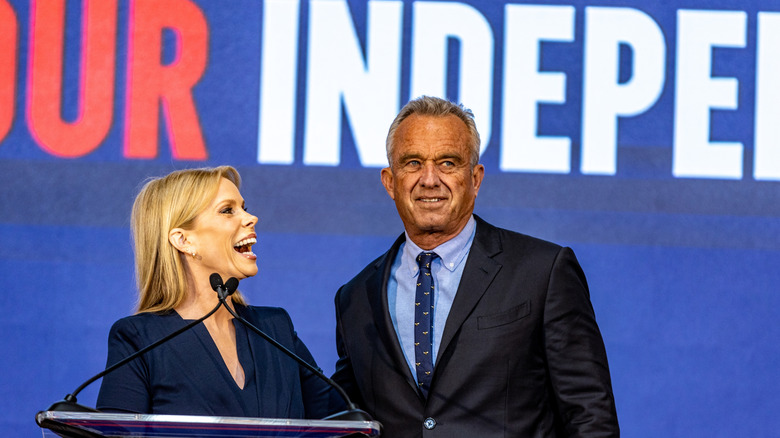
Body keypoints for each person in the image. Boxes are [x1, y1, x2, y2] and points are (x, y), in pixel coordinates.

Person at [332, 96, 620, 437]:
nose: (429, 179)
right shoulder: (356, 298)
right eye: (412, 163)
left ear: (475, 178)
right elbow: (347, 419)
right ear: (389, 181)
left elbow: (589, 416)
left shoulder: (542, 273)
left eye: (448, 163)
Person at [97, 166, 337, 419]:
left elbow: (342, 421)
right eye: (227, 210)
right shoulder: (140, 339)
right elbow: (117, 433)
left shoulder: (276, 330)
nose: (250, 218)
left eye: (243, 207)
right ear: (183, 240)